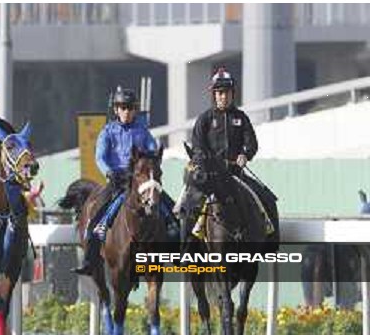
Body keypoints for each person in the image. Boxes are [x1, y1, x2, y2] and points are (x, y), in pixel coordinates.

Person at [73, 86, 178, 276]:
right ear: (116, 110)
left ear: (135, 110)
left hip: (139, 181)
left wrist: (151, 162)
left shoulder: (142, 130)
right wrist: (109, 172)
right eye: (123, 107)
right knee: (96, 214)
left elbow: (152, 150)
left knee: (170, 207)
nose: (127, 112)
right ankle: (90, 259)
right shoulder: (108, 130)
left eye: (130, 108)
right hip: (117, 179)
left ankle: (177, 249)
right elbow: (100, 157)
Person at [179, 67, 278, 245]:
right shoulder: (204, 119)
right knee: (186, 207)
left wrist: (245, 155)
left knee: (268, 199)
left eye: (227, 93)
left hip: (236, 175)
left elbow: (252, 144)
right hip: (209, 178)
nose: (223, 97)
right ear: (214, 95)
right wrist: (209, 163)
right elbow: (198, 148)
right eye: (219, 93)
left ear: (233, 94)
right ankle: (186, 251)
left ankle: (271, 244)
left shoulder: (241, 118)